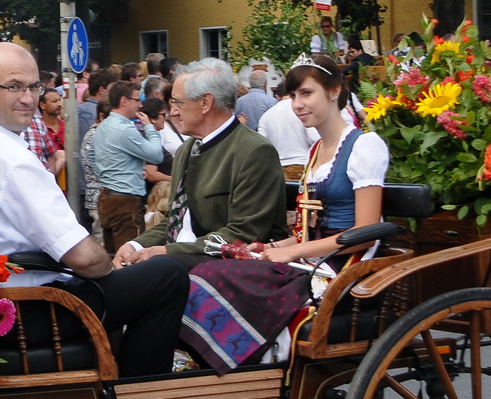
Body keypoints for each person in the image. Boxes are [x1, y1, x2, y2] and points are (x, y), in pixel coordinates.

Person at [0, 43, 188, 377]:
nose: (28, 99)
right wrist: (111, 265)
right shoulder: (10, 159)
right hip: (33, 309)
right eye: (14, 87)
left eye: (34, 87)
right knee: (167, 276)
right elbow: (83, 257)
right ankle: (138, 394)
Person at [177, 55, 391, 371]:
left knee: (212, 275)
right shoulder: (316, 151)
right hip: (312, 259)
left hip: (342, 266)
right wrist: (272, 247)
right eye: (293, 95)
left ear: (334, 91)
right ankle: (228, 370)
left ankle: (241, 368)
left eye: (306, 93)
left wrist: (291, 252)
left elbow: (364, 234)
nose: (297, 104)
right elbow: (310, 228)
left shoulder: (365, 146)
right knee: (210, 270)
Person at [114, 58, 288, 266]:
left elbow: (244, 233)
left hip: (226, 270)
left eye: (178, 102)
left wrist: (167, 252)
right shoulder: (187, 149)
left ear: (205, 103)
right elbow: (175, 220)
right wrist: (135, 245)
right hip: (182, 264)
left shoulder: (254, 151)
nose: (173, 112)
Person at [93, 81, 163, 252]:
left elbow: (91, 157)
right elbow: (156, 155)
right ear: (124, 101)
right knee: (130, 257)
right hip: (125, 200)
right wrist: (149, 126)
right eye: (137, 100)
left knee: (113, 256)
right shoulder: (124, 129)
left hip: (107, 197)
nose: (140, 105)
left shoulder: (103, 126)